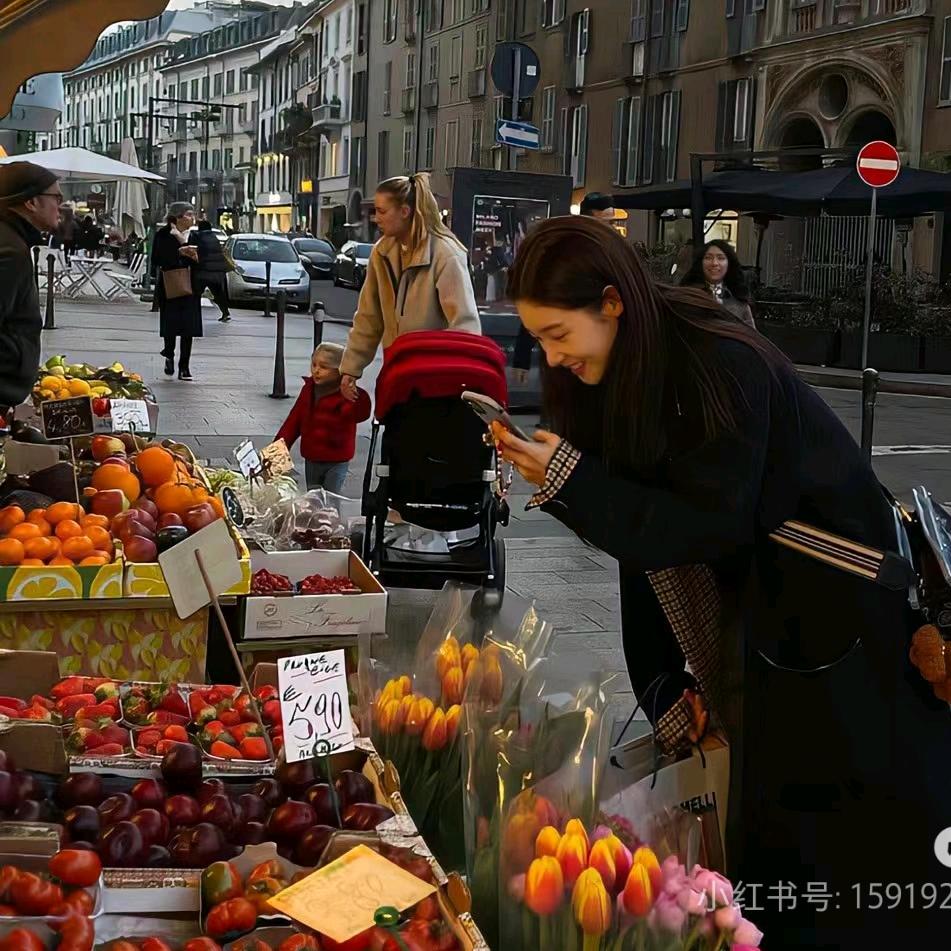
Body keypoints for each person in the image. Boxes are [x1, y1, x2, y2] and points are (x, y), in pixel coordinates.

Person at [492, 215, 951, 949]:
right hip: (769, 625)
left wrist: (572, 480)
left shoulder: (716, 358)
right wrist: (665, 687)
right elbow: (640, 538)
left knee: (841, 828)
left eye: (557, 333)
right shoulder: (630, 367)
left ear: (611, 303)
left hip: (835, 621)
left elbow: (703, 523)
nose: (550, 357)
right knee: (771, 816)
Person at [339, 172, 480, 401]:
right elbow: (368, 316)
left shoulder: (445, 254)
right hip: (397, 376)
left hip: (435, 385)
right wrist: (350, 368)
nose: (376, 218)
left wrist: (454, 380)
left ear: (405, 212)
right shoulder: (382, 252)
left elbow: (465, 325)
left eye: (382, 211)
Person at [0, 162, 62, 413]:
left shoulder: (12, 239)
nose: (62, 205)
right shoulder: (10, 249)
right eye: (56, 196)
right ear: (31, 202)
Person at [276, 342, 371, 494]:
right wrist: (276, 452)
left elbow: (361, 413)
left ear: (340, 370)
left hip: (336, 459)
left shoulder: (347, 394)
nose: (316, 371)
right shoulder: (308, 389)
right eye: (313, 364)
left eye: (324, 367)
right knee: (313, 500)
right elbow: (293, 422)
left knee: (330, 501)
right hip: (312, 456)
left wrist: (351, 386)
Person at [151, 202, 201, 381]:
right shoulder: (163, 234)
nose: (192, 217)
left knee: (188, 327)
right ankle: (169, 355)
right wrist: (179, 253)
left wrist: (195, 256)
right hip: (170, 285)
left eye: (192, 214)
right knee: (170, 325)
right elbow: (156, 259)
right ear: (177, 216)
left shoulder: (195, 236)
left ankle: (184, 366)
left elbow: (204, 260)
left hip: (190, 287)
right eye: (188, 214)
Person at [680, 239, 755, 328]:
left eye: (721, 258)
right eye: (708, 257)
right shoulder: (688, 296)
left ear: (729, 263)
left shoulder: (740, 303)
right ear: (700, 263)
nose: (714, 263)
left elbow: (751, 338)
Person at [188, 220, 232, 322]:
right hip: (215, 271)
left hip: (202, 270)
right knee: (218, 293)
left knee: (196, 293)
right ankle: (225, 312)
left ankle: (193, 314)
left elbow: (192, 252)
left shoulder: (196, 236)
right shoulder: (214, 237)